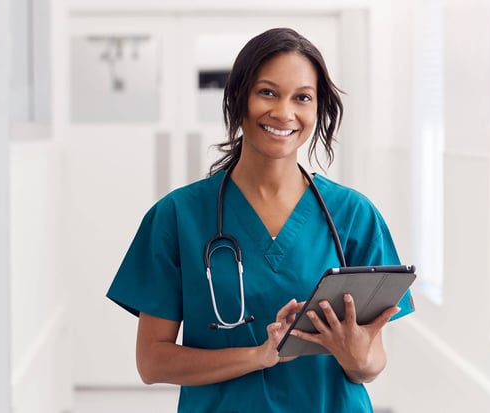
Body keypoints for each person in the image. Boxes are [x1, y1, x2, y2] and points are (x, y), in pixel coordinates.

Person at [106, 27, 415, 412]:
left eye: (302, 97)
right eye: (267, 92)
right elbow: (151, 362)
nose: (284, 113)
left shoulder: (353, 216)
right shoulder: (177, 216)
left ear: (317, 109)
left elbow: (372, 364)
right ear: (239, 98)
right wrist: (259, 355)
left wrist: (356, 356)